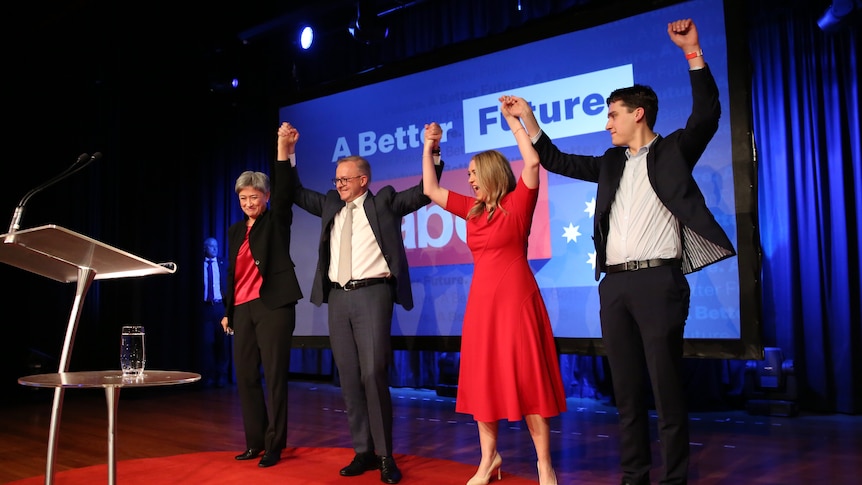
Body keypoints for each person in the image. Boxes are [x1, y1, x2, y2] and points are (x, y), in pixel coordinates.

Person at [507, 19, 736, 485]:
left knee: (666, 388)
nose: (606, 122)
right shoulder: (611, 162)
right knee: (627, 392)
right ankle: (635, 476)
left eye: (613, 114)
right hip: (614, 285)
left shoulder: (673, 151)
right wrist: (528, 120)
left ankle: (673, 479)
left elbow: (707, 115)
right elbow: (557, 160)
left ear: (639, 115)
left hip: (659, 282)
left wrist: (693, 52)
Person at [420, 109, 566, 485]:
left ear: (490, 173)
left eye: (473, 173)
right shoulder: (471, 213)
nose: (468, 180)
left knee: (529, 380)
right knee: (484, 381)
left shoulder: (519, 204)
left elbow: (533, 160)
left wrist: (515, 123)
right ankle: (488, 459)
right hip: (482, 307)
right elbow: (431, 191)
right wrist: (428, 147)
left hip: (517, 303)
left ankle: (544, 465)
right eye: (467, 174)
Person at [290, 130, 444, 484]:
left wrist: (432, 151)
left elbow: (424, 192)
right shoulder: (331, 205)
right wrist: (289, 153)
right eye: (337, 179)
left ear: (364, 180)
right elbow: (296, 193)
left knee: (373, 373)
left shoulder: (384, 202)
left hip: (373, 294)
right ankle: (363, 451)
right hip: (338, 298)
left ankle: (386, 455)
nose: (340, 184)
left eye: (346, 179)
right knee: (348, 377)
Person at [221, 122, 303, 469]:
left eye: (254, 196)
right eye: (243, 198)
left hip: (273, 306)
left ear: (265, 197)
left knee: (274, 375)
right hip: (242, 308)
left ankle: (275, 443)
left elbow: (285, 189)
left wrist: (282, 148)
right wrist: (228, 311)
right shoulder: (235, 229)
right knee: (246, 375)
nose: (249, 202)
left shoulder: (276, 219)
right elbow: (233, 272)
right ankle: (254, 440)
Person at [200, 236, 230, 387]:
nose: (215, 249)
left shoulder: (223, 263)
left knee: (222, 342)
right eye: (211, 246)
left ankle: (221, 376)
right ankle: (207, 376)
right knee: (207, 342)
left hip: (220, 307)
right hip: (205, 307)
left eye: (216, 246)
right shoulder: (200, 265)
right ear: (205, 248)